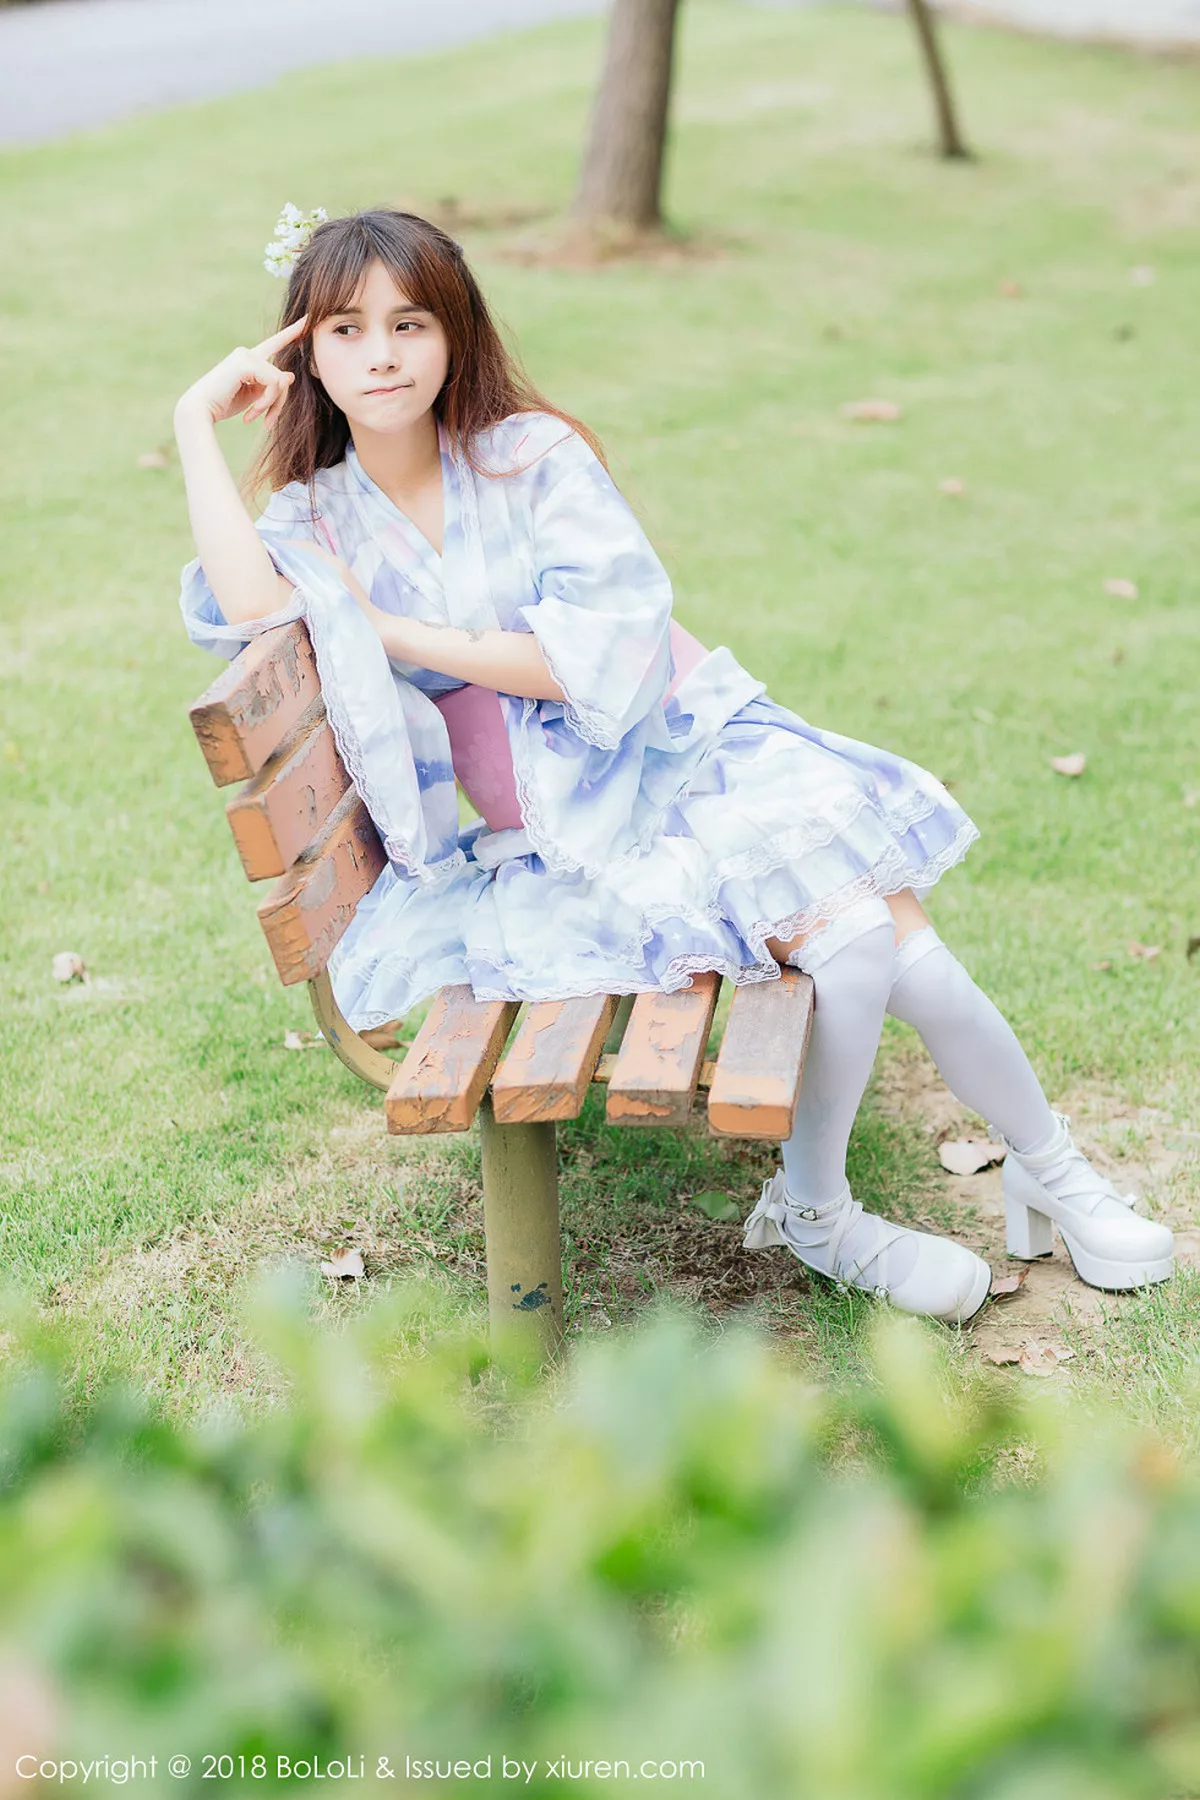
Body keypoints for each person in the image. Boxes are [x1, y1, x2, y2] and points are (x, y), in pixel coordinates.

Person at [175, 205, 1174, 1328]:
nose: (383, 355)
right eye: (347, 330)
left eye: (410, 323)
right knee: (866, 942)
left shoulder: (529, 457)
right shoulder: (319, 518)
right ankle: (839, 1210)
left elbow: (598, 654)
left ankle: (1037, 1176)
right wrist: (194, 422)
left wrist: (396, 632)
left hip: (683, 748)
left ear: (455, 333)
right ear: (305, 353)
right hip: (562, 824)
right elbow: (250, 608)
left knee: (907, 958)